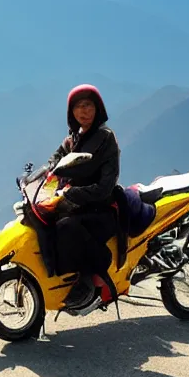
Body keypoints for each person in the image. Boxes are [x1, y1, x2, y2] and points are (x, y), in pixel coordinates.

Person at [45, 84, 120, 309]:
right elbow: (54, 161)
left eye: (88, 105)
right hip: (78, 204)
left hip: (102, 207)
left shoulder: (106, 139)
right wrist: (40, 177)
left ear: (97, 108)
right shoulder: (72, 139)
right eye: (77, 107)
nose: (83, 111)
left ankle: (90, 276)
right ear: (71, 112)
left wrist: (72, 193)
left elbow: (105, 186)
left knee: (67, 228)